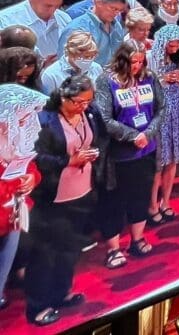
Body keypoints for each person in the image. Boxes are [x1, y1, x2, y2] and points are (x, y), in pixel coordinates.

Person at [24, 75, 107, 326]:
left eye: (89, 101)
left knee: (70, 248)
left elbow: (100, 137)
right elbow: (37, 158)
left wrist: (94, 154)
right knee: (46, 252)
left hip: (82, 191)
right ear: (64, 97)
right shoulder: (44, 120)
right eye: (80, 102)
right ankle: (38, 306)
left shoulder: (89, 113)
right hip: (52, 197)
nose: (85, 106)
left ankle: (62, 293)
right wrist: (69, 161)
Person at [95, 40, 165, 269]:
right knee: (114, 202)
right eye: (133, 61)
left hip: (146, 149)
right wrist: (132, 135)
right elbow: (104, 118)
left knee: (140, 196)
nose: (137, 65)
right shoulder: (107, 81)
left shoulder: (150, 77)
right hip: (118, 155)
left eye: (141, 61)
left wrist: (149, 133)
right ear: (122, 59)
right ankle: (113, 250)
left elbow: (161, 108)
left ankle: (138, 239)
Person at [0, 84, 47, 312]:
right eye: (20, 120)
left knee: (6, 258)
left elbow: (30, 167)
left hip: (14, 212)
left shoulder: (16, 140)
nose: (25, 125)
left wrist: (31, 178)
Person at [147, 25, 179, 224]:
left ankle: (166, 202)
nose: (175, 48)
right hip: (158, 111)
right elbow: (144, 86)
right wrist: (163, 79)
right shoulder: (149, 57)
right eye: (172, 45)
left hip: (177, 109)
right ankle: (152, 204)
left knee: (172, 160)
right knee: (159, 161)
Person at [0, 0, 70, 65]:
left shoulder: (64, 18)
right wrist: (40, 66)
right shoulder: (5, 20)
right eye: (48, 6)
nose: (53, 11)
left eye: (57, 6)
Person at [58, 0, 126, 66]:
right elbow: (65, 65)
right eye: (113, 8)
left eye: (119, 10)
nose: (116, 13)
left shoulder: (117, 26)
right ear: (99, 3)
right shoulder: (77, 29)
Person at [39, 31, 103, 95]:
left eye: (92, 56)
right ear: (71, 52)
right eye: (86, 56)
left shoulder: (97, 68)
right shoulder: (51, 74)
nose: (89, 60)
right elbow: (49, 102)